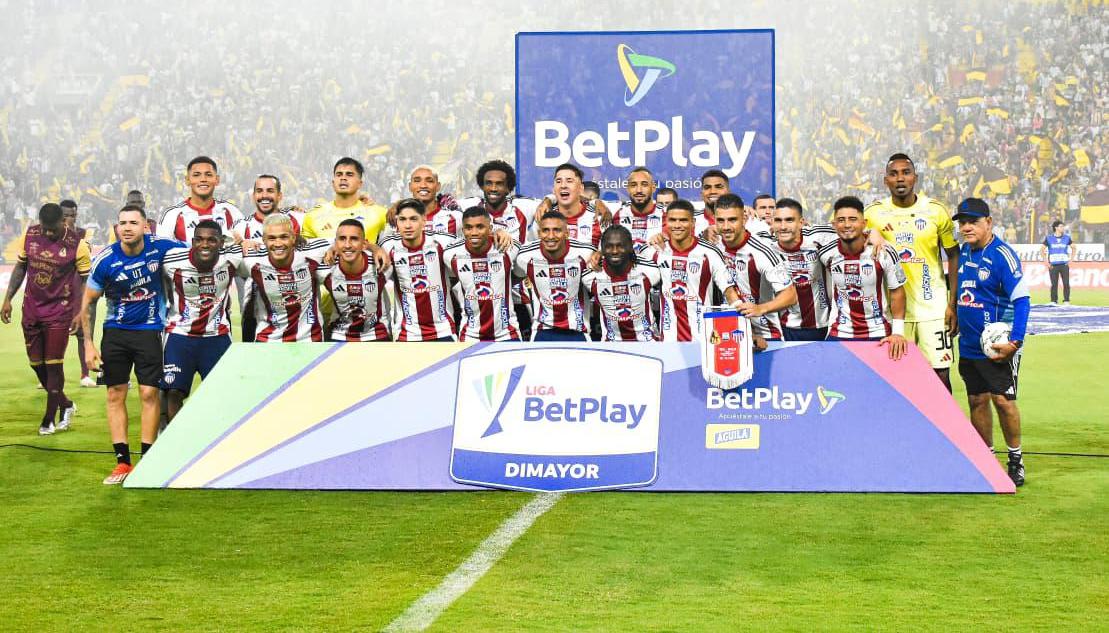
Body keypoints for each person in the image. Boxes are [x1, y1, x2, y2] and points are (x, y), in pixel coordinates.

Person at [80, 205, 186, 484]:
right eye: (122, 223)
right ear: (117, 227)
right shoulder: (105, 260)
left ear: (145, 227)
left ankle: (148, 459)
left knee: (149, 394)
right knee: (115, 394)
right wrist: (89, 346)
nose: (127, 227)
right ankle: (123, 462)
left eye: (133, 222)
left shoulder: (160, 247)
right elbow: (88, 303)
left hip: (150, 331)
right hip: (115, 332)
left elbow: (198, 248)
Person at [865, 153, 959, 389]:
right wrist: (869, 233)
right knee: (896, 378)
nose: (900, 178)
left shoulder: (936, 211)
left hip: (934, 309)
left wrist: (952, 304)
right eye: (894, 174)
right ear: (885, 180)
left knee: (940, 376)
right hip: (894, 313)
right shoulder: (872, 214)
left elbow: (954, 255)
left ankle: (942, 426)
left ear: (915, 177)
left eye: (905, 173)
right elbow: (844, 234)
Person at [953, 198, 1029, 486]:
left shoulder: (1002, 256)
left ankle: (1015, 459)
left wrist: (1015, 341)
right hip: (970, 345)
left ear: (989, 223)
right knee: (976, 400)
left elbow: (1022, 300)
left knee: (1003, 401)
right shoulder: (963, 252)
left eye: (973, 221)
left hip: (998, 346)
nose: (967, 227)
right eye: (962, 222)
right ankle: (986, 458)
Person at [1, 203, 91, 435]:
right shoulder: (30, 235)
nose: (48, 234)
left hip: (59, 312)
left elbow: (84, 282)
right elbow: (21, 267)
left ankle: (48, 419)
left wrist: (80, 312)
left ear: (64, 221)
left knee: (53, 366)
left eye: (53, 229)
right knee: (36, 365)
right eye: (45, 229)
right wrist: (8, 298)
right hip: (31, 309)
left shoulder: (77, 245)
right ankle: (66, 404)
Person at [161, 220, 238, 421]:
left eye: (212, 240)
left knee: (221, 394)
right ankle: (175, 440)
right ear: (193, 242)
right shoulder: (172, 261)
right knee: (173, 392)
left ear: (221, 243)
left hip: (216, 336)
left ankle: (215, 441)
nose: (205, 245)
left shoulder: (232, 259)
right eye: (200, 240)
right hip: (180, 336)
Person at [639, 200, 746, 342]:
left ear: (693, 222)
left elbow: (729, 291)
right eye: (672, 220)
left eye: (683, 220)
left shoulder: (710, 252)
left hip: (704, 339)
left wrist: (744, 327)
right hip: (669, 341)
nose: (677, 225)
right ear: (666, 222)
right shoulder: (654, 250)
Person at [457, 159, 539, 339]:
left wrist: (551, 199)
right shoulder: (467, 207)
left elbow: (560, 201)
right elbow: (435, 202)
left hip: (517, 297)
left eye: (499, 184)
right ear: (482, 185)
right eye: (489, 183)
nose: (493, 188)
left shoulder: (524, 208)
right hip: (478, 300)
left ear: (509, 188)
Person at [818, 197, 909, 360]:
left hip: (878, 332)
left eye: (853, 219)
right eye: (841, 220)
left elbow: (897, 292)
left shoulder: (883, 251)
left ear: (864, 223)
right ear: (834, 225)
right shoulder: (826, 253)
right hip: (840, 332)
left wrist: (898, 333)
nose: (847, 225)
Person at [711, 194, 798, 341]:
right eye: (721, 220)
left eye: (732, 220)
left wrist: (760, 309)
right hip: (729, 333)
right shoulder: (713, 246)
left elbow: (791, 295)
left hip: (766, 335)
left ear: (744, 220)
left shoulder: (762, 252)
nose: (726, 227)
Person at [235, 213, 331, 342]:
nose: (278, 243)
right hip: (268, 342)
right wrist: (242, 241)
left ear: (293, 238)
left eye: (284, 237)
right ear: (263, 240)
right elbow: (214, 247)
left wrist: (335, 248)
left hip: (309, 341)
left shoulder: (312, 252)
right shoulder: (252, 259)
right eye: (272, 238)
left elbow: (347, 238)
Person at [379, 198, 459, 341]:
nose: (408, 225)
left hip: (443, 331)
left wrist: (497, 234)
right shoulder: (388, 246)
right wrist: (373, 248)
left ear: (424, 221)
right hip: (406, 333)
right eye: (402, 219)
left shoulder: (441, 242)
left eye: (413, 219)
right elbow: (362, 247)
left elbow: (474, 243)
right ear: (397, 222)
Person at [514, 210, 596, 342]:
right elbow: (513, 278)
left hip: (578, 330)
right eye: (545, 230)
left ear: (567, 233)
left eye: (557, 230)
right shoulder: (525, 256)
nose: (550, 236)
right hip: (542, 330)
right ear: (539, 233)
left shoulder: (586, 253)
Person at [443, 207, 521, 341]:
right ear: (462, 231)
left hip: (507, 335)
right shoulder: (450, 255)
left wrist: (501, 231)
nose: (474, 232)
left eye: (480, 227)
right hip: (470, 336)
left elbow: (522, 272)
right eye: (468, 228)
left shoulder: (509, 248)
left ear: (490, 228)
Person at [767, 198, 837, 341]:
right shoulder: (766, 245)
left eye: (789, 220)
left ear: (801, 222)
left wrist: (873, 234)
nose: (783, 226)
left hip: (821, 325)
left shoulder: (817, 236)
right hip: (784, 327)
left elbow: (852, 231)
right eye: (778, 221)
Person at [583, 225, 662, 341]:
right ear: (602, 249)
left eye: (620, 246)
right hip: (612, 346)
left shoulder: (651, 269)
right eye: (609, 247)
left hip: (647, 342)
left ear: (630, 246)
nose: (615, 251)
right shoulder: (589, 275)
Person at [322, 219, 391, 342]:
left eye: (354, 239)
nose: (347, 245)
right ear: (335, 244)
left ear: (364, 244)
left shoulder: (381, 264)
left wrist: (375, 248)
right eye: (342, 239)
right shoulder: (326, 267)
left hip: (377, 336)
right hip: (338, 336)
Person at [157, 156, 245, 243]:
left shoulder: (231, 211)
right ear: (187, 180)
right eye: (196, 175)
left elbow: (249, 244)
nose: (203, 179)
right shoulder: (172, 215)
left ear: (217, 180)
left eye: (208, 175)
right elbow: (161, 250)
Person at [301, 157, 388, 242]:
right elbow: (304, 251)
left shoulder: (379, 213)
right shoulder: (313, 215)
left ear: (360, 183)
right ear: (333, 182)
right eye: (339, 174)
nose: (343, 178)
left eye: (349, 174)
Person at [60, 199, 97, 387]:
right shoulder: (50, 235)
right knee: (55, 334)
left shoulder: (82, 235)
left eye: (72, 215)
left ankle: (85, 375)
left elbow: (87, 257)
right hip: (58, 293)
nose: (69, 219)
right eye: (65, 215)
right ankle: (50, 377)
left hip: (79, 289)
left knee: (83, 333)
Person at [533, 163, 612, 247]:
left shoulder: (600, 217)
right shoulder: (542, 215)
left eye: (569, 181)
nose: (563, 185)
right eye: (558, 181)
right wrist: (548, 199)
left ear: (581, 189)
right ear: (553, 189)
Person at [611, 167, 666, 248]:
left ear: (653, 188)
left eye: (644, 185)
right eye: (633, 185)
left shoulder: (666, 214)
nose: (639, 190)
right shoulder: (617, 213)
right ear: (628, 189)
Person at [408, 165, 463, 236]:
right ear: (410, 186)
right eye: (417, 181)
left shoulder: (455, 217)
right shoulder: (398, 219)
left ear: (438, 186)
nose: (423, 185)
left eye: (429, 181)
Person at [1041, 220, 1072, 304]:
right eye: (1061, 226)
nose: (1063, 228)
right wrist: (1046, 262)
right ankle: (1054, 300)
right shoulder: (1049, 238)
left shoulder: (1067, 238)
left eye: (1063, 226)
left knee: (1066, 283)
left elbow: (1074, 247)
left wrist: (1071, 259)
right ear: (1056, 228)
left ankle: (1066, 300)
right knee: (1054, 284)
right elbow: (1042, 249)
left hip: (1064, 264)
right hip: (1053, 265)